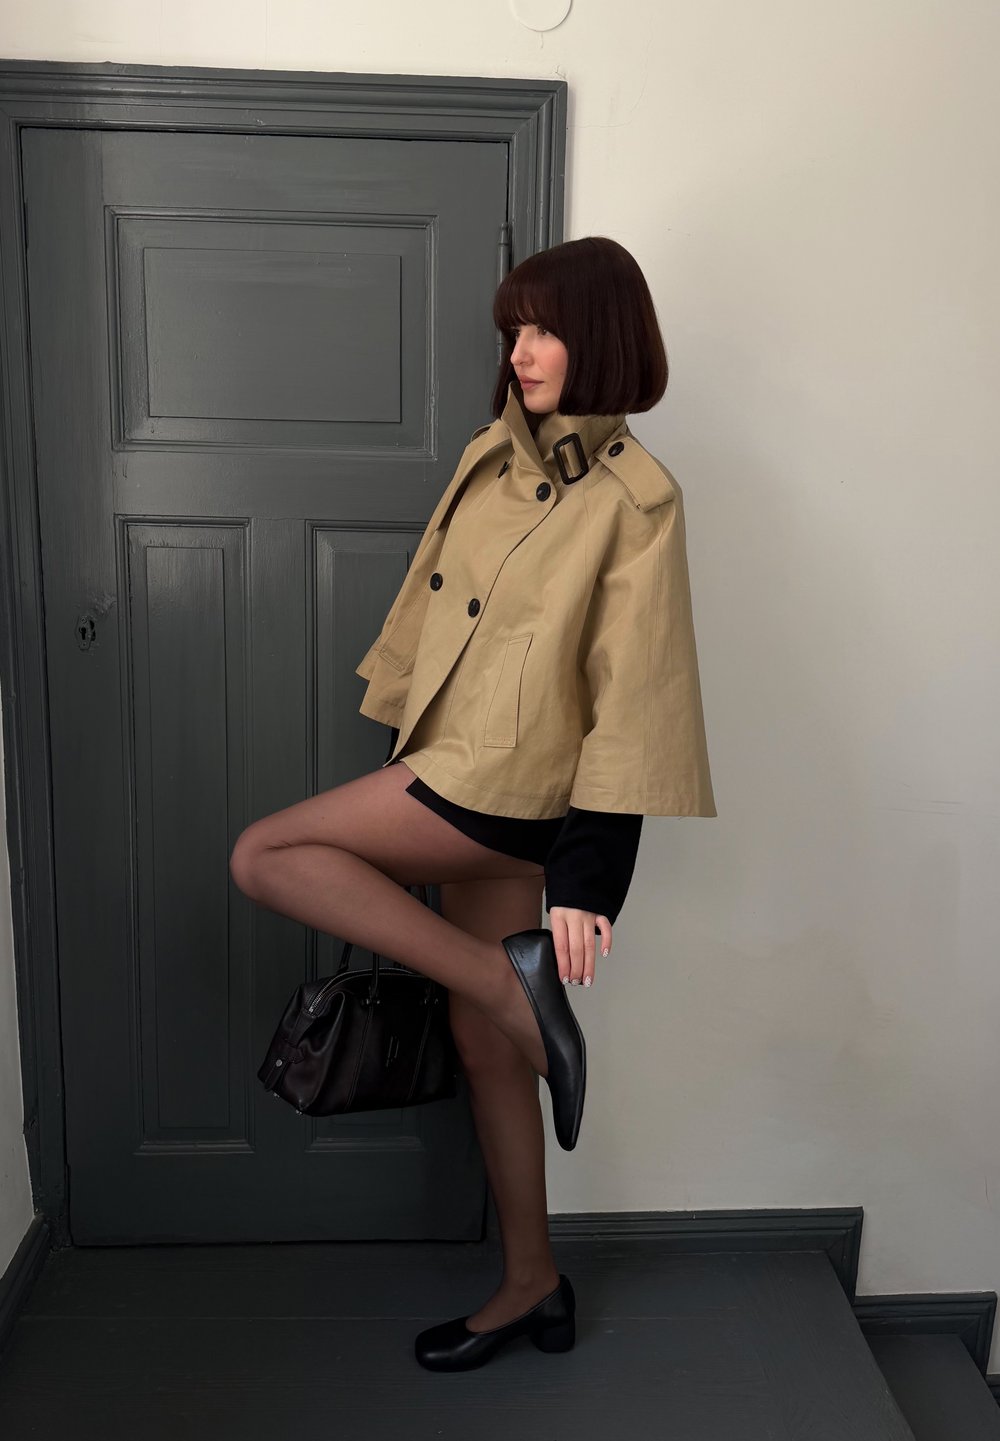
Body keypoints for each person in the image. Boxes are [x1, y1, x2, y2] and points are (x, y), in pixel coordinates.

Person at [230, 235, 716, 1372]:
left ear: (601, 337)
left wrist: (589, 881)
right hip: (451, 756)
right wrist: (400, 726)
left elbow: (634, 695)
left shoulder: (638, 501)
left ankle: (513, 985)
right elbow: (433, 609)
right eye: (514, 330)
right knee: (483, 1042)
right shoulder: (490, 455)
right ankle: (533, 1281)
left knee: (266, 854)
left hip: (505, 784)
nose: (521, 351)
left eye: (544, 330)